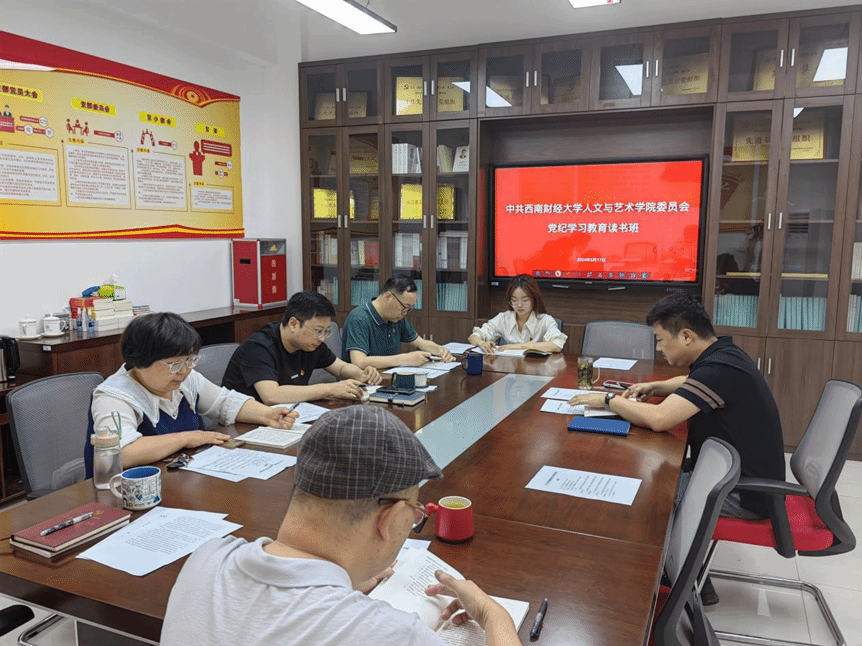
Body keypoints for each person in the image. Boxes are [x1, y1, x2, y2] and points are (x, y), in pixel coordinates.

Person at [160, 406, 520, 646]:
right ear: (389, 518)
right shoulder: (392, 634)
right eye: (414, 513)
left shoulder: (207, 558)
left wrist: (342, 579)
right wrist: (492, 615)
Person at [568, 292, 785, 605]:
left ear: (686, 336)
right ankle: (689, 573)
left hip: (742, 493)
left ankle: (669, 580)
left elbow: (659, 419)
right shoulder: (723, 356)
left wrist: (607, 400)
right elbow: (690, 380)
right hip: (733, 477)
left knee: (651, 497)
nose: (658, 348)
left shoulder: (719, 369)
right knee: (657, 479)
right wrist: (655, 386)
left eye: (660, 340)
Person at [85, 312, 298, 473]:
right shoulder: (113, 396)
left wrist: (267, 414)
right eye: (174, 364)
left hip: (181, 479)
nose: (184, 371)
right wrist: (187, 438)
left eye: (189, 361)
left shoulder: (184, 378)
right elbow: (122, 453)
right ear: (140, 362)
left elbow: (225, 402)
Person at [223, 290, 382, 404]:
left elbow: (340, 369)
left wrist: (362, 374)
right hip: (244, 425)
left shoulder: (312, 344)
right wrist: (331, 389)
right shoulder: (259, 347)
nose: (322, 338)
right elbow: (271, 395)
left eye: (326, 331)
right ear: (293, 324)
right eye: (318, 331)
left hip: (285, 416)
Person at [342, 275, 454, 369]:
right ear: (388, 297)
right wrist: (405, 359)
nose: (405, 313)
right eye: (405, 307)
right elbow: (359, 362)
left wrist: (439, 350)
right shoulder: (359, 318)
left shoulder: (396, 318)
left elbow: (419, 342)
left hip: (387, 379)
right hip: (362, 384)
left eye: (409, 309)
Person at [467, 274, 566, 354]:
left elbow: (557, 345)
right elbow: (473, 336)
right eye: (514, 300)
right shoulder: (504, 318)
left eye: (525, 300)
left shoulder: (545, 320)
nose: (519, 305)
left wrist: (518, 347)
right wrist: (481, 343)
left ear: (534, 300)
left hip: (536, 369)